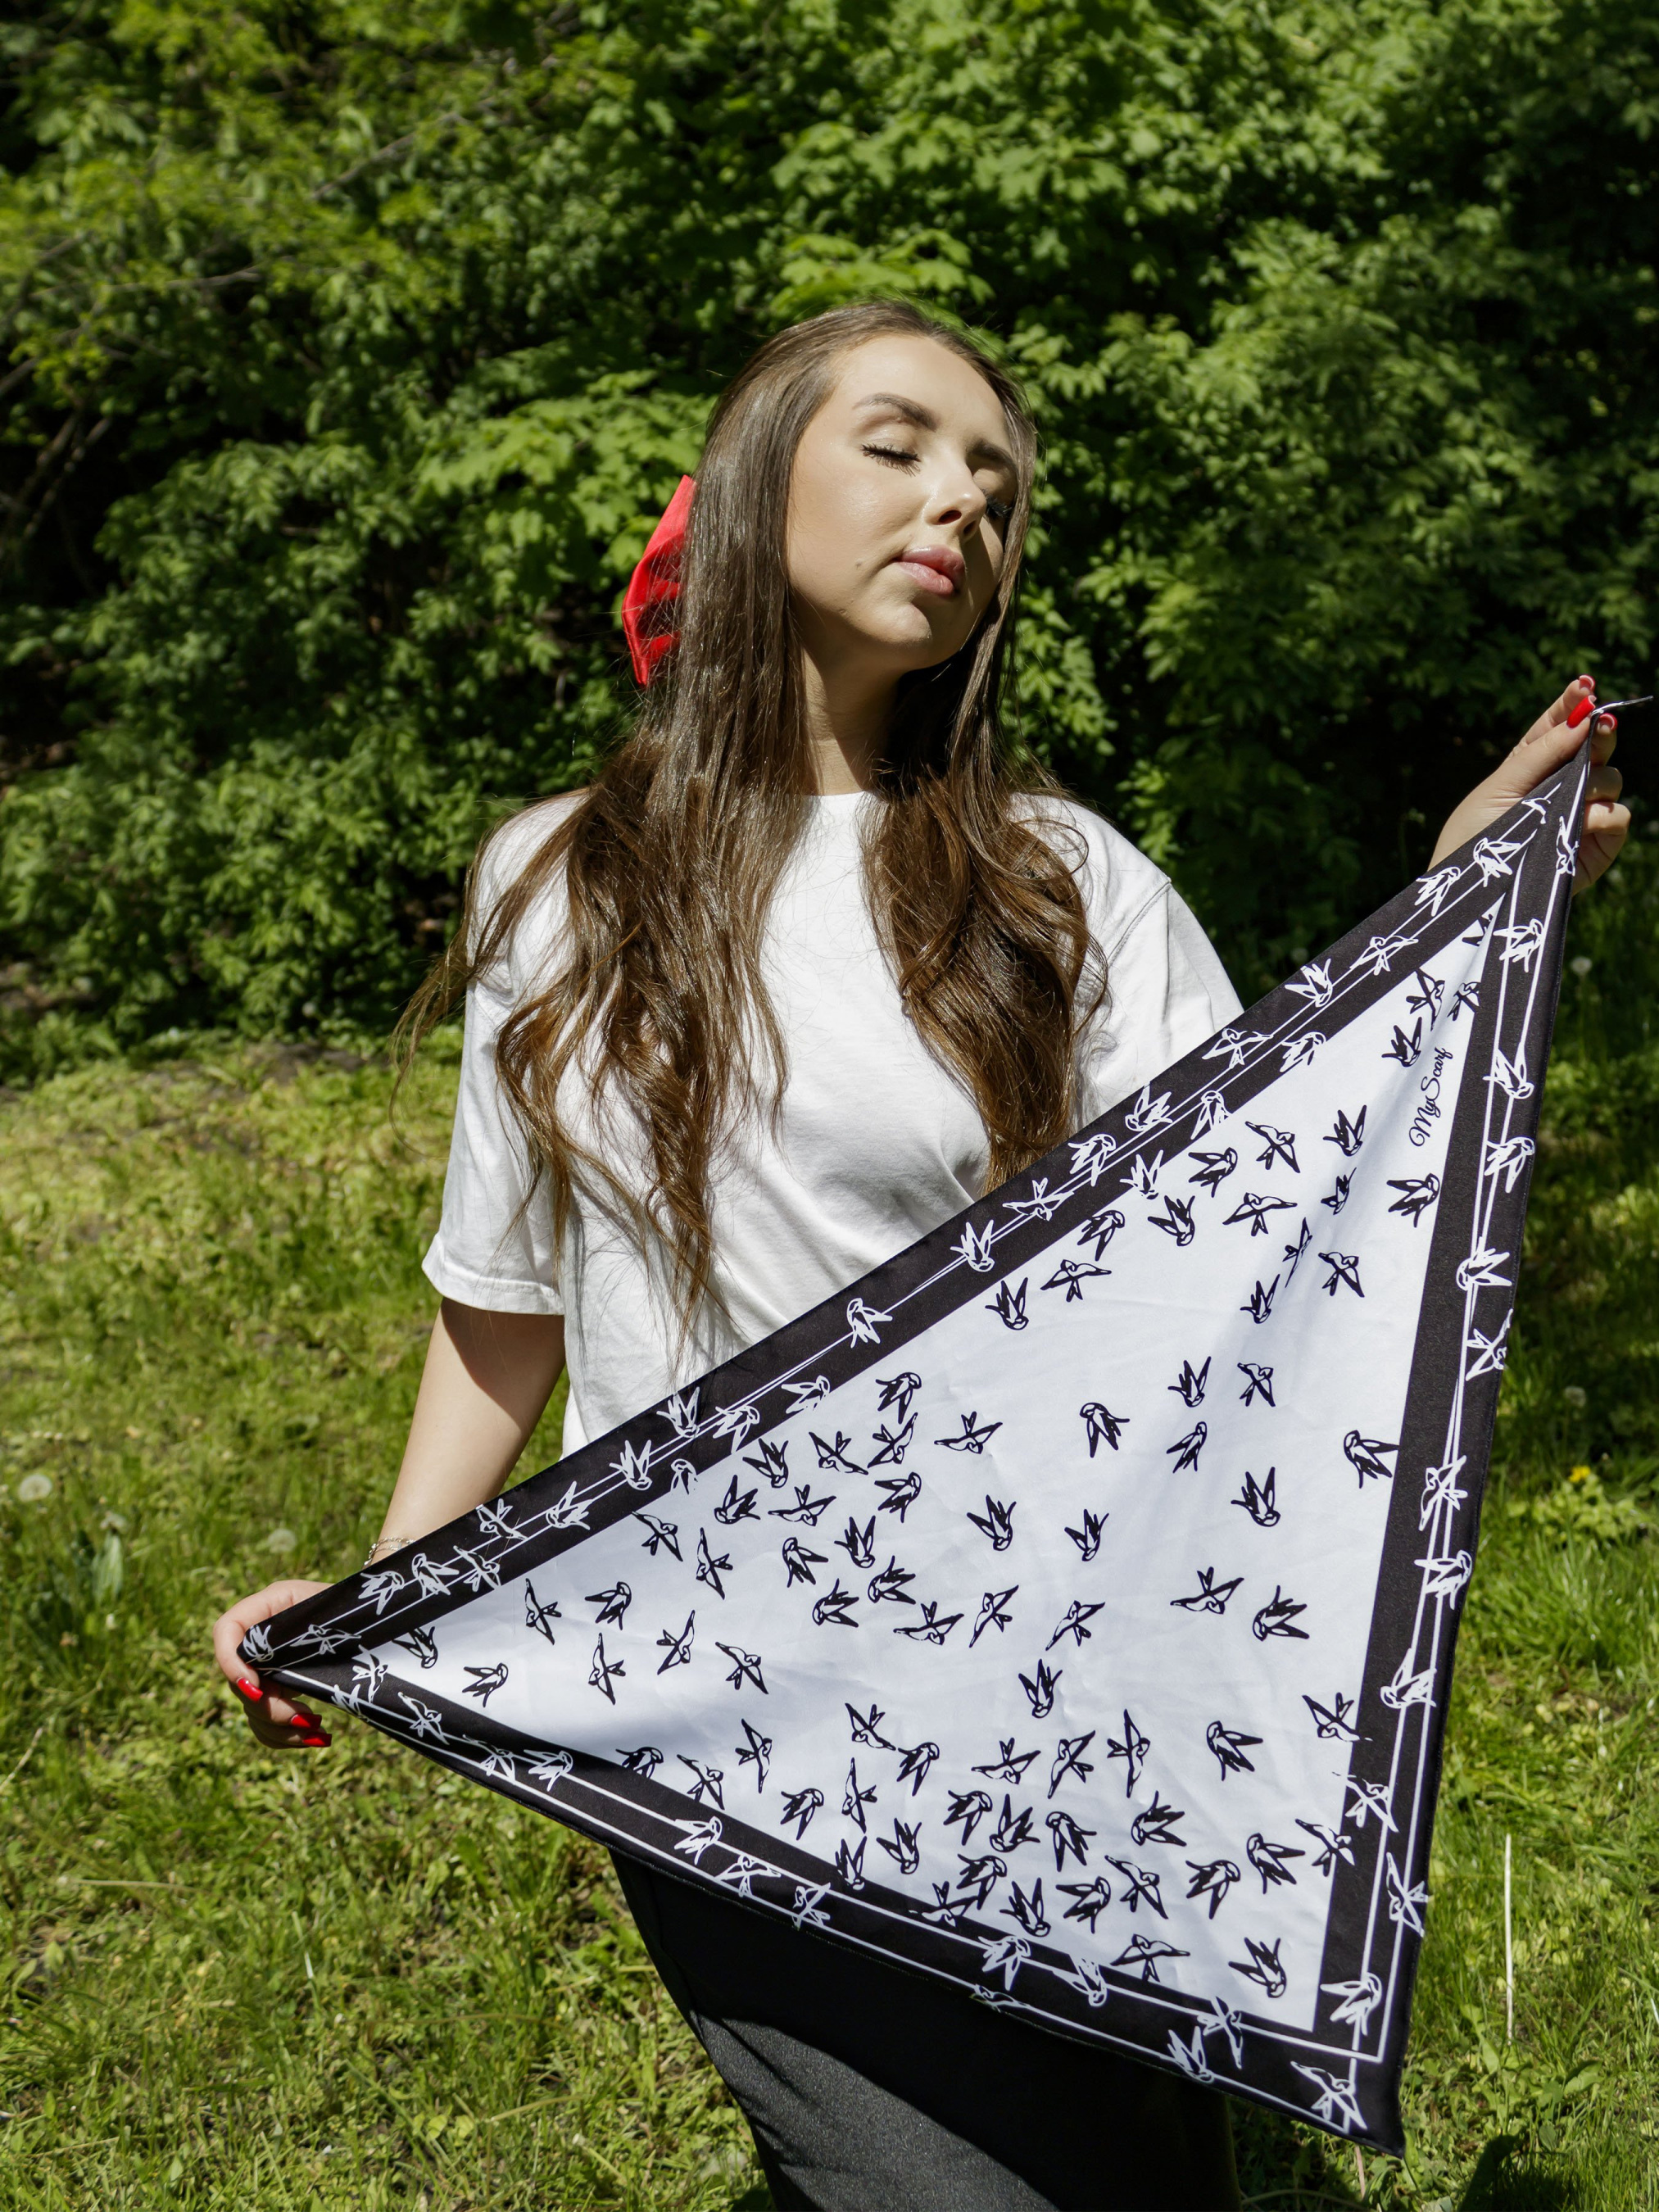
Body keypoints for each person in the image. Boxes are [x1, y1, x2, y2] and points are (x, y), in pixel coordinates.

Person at [214, 300, 1630, 2210]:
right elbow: (511, 1289)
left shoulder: (1058, 877)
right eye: (896, 445)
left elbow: (1256, 1221)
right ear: (750, 485)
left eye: (994, 484)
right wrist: (392, 1588)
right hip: (709, 1674)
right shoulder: (557, 878)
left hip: (1053, 1662)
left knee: (1130, 2184)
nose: (958, 499)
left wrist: (1457, 906)